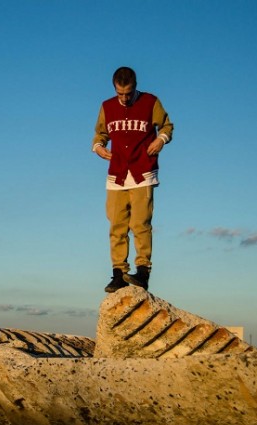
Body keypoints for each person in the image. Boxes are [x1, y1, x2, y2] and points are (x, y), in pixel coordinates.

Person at [92, 66, 174, 292]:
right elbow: (100, 133)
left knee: (140, 224)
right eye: (120, 93)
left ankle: (143, 272)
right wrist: (98, 147)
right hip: (116, 174)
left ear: (135, 86)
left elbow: (167, 125)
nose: (125, 98)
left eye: (128, 93)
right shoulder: (107, 107)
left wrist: (161, 140)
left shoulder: (150, 102)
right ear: (114, 89)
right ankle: (119, 274)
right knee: (116, 225)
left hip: (142, 172)